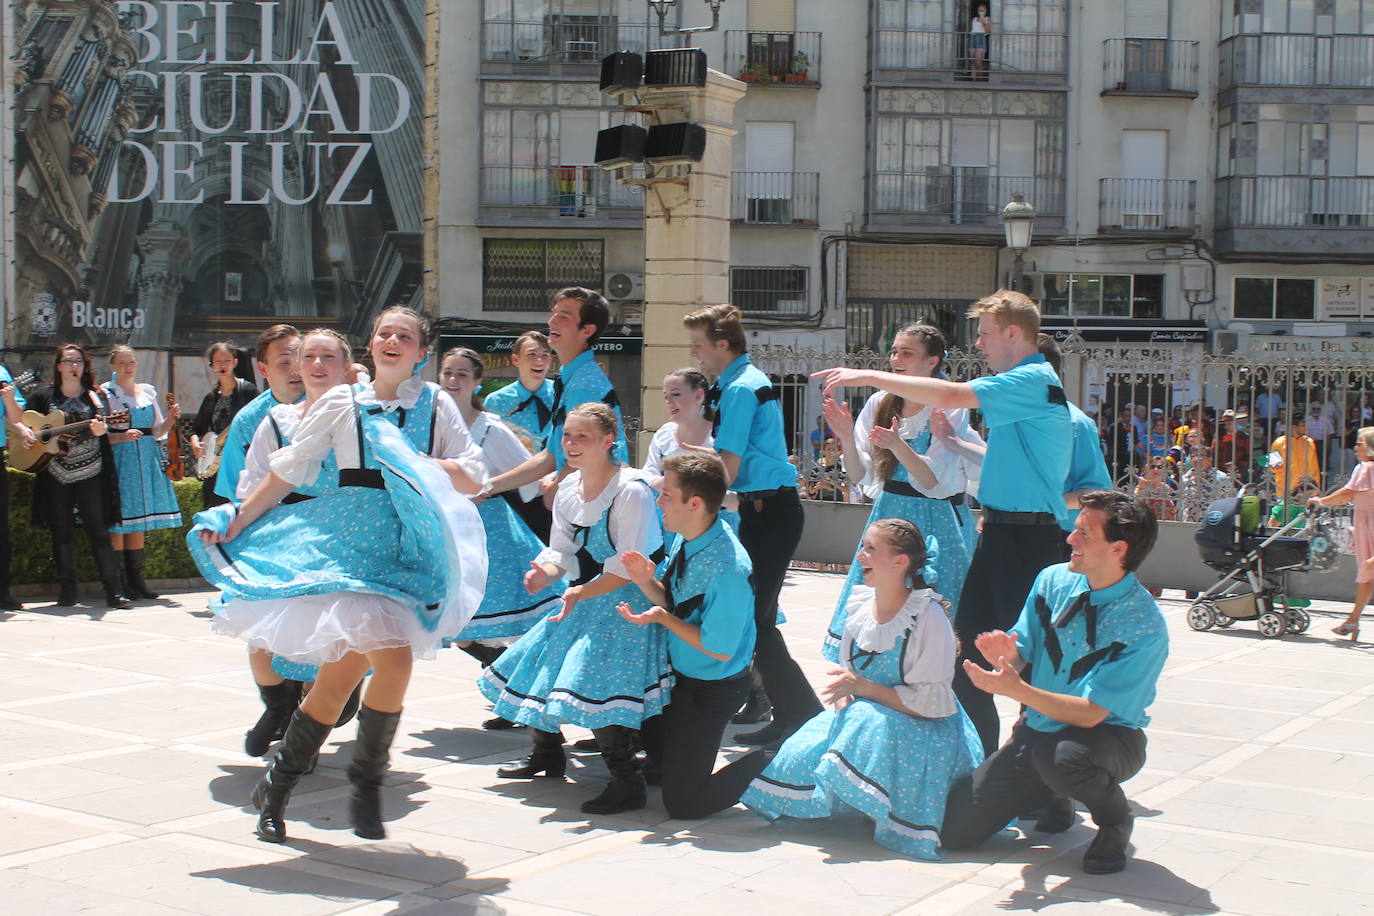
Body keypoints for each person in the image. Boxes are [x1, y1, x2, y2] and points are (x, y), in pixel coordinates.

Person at [190, 319, 488, 844]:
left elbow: (474, 477)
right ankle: (365, 786)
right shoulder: (340, 402)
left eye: (406, 336)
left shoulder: (435, 405)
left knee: (335, 685)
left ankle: (276, 788)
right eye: (384, 334)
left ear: (420, 353)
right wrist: (236, 518)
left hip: (404, 549)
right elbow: (288, 470)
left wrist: (413, 459)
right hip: (348, 545)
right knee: (391, 659)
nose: (393, 341)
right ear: (370, 348)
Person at [814, 290, 1072, 758]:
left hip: (1030, 536)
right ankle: (976, 765)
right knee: (967, 655)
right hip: (997, 530)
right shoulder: (1015, 382)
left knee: (1029, 660)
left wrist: (869, 375)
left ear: (1013, 333)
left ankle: (1046, 772)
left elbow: (952, 394)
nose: (979, 344)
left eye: (986, 334)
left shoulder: (1031, 380)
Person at [941, 490, 1166, 876]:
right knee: (953, 830)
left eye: (1084, 534)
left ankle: (1114, 820)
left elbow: (1094, 714)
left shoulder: (1144, 625)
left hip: (1108, 739)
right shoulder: (1052, 580)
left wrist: (1018, 692)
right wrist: (1005, 654)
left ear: (1118, 549)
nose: (1069, 539)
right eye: (1074, 529)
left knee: (1062, 759)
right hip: (1040, 729)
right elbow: (1023, 646)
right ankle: (1050, 792)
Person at [742, 518, 982, 859]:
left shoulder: (928, 619)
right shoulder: (859, 607)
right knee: (808, 743)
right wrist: (847, 704)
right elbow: (848, 681)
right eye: (862, 546)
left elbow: (931, 706)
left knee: (864, 722)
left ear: (900, 562)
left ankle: (883, 801)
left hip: (927, 731)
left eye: (871, 549)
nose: (860, 556)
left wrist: (862, 690)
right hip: (870, 715)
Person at [482, 403, 670, 816]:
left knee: (590, 676)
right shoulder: (568, 489)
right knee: (531, 663)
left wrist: (579, 592)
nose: (570, 444)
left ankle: (627, 781)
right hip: (588, 595)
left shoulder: (631, 490)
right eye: (567, 435)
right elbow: (561, 551)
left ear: (609, 441)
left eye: (582, 437)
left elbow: (628, 569)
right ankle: (546, 754)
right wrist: (545, 573)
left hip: (630, 602)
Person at [686, 304, 822, 748]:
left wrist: (693, 499)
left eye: (699, 346)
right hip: (762, 511)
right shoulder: (736, 384)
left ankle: (800, 714)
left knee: (759, 623)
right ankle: (793, 713)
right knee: (757, 621)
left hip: (771, 513)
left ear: (722, 345)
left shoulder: (741, 389)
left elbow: (726, 463)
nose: (695, 354)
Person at [618, 451, 768, 819]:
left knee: (684, 804)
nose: (658, 501)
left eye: (667, 494)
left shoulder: (729, 570)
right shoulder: (690, 535)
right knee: (663, 770)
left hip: (713, 688)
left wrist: (661, 619)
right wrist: (644, 582)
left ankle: (773, 763)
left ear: (695, 502)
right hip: (683, 679)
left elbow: (717, 649)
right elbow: (674, 602)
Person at [819, 323, 978, 662]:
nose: (896, 359)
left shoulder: (947, 403)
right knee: (881, 601)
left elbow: (933, 481)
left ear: (932, 361)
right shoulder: (880, 402)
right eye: (894, 351)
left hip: (936, 522)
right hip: (889, 515)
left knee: (935, 607)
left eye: (907, 353)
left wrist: (897, 444)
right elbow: (862, 475)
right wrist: (847, 437)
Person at [438, 348, 564, 710]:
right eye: (447, 372)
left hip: (494, 535)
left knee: (504, 625)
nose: (453, 380)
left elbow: (530, 477)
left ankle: (519, 695)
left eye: (462, 374)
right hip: (451, 536)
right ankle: (512, 689)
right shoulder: (431, 427)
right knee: (458, 629)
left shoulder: (489, 429)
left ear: (476, 382)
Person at [482, 289, 629, 506]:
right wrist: (487, 487)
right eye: (554, 313)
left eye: (564, 316)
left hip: (594, 508)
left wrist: (557, 486)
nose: (552, 321)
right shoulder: (574, 379)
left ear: (587, 330)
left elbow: (587, 455)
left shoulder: (585, 386)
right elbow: (549, 457)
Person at [26, 345, 132, 609]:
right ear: (59, 365)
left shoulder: (95, 398)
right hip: (55, 472)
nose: (75, 366)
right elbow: (26, 424)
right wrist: (28, 436)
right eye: (69, 361)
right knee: (61, 531)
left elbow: (106, 428)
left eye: (79, 362)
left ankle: (114, 591)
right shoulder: (43, 397)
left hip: (91, 470)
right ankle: (67, 590)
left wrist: (100, 430)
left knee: (98, 531)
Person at [100, 346, 183, 600]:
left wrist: (170, 419)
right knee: (119, 519)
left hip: (145, 456)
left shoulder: (146, 392)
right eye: (123, 362)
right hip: (121, 457)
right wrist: (122, 436)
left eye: (132, 362)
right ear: (113, 365)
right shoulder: (107, 394)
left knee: (137, 519)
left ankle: (137, 581)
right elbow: (101, 431)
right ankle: (120, 582)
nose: (129, 367)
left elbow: (157, 431)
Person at [213, 326, 304, 505]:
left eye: (302, 359)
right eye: (284, 362)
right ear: (263, 370)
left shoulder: (332, 405)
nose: (296, 369)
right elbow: (237, 493)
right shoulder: (247, 422)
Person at [1310, 427, 1374, 639]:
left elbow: (1348, 493)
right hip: (1367, 524)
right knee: (1366, 575)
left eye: (1360, 443)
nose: (1355, 447)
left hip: (1369, 525)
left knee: (1367, 571)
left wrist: (1322, 502)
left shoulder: (1366, 468)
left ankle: (1353, 620)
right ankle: (1353, 620)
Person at [190, 341, 259, 509]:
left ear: (235, 362)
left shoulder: (248, 391)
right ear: (212, 365)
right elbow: (197, 430)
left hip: (242, 462)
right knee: (216, 510)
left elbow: (260, 424)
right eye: (218, 361)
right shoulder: (211, 398)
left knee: (242, 509)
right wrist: (195, 443)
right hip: (216, 466)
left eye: (227, 360)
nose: (223, 365)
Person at [482, 330, 556, 451]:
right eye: (531, 354)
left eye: (545, 355)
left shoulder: (562, 396)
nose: (539, 361)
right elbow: (488, 446)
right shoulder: (496, 402)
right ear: (516, 360)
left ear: (550, 361)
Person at [1, 363, 36, 610]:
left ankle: (2, 592)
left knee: (1, 531)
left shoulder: (1, 372)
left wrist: (10, 399)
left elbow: (15, 417)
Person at [1179, 447, 1236, 523]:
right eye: (1194, 456)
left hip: (1213, 524)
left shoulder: (1221, 478)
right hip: (1188, 523)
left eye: (1202, 456)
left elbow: (1230, 501)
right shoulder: (1185, 478)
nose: (1197, 459)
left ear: (1210, 459)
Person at [1269, 414, 1321, 496]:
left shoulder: (1309, 442)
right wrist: (1275, 465)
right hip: (1287, 489)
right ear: (1294, 427)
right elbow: (1273, 467)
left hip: (1308, 488)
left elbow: (1315, 466)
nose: (1305, 428)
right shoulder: (1278, 443)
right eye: (1303, 426)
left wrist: (1316, 486)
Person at [1212, 409, 1250, 481]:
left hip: (1238, 471)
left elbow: (1247, 455)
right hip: (1220, 470)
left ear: (1235, 422)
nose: (1226, 426)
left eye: (1229, 423)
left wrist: (1237, 466)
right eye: (1225, 424)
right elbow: (1213, 453)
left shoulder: (1244, 437)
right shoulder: (1218, 436)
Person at [969, 3, 991, 80]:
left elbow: (987, 31)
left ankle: (980, 74)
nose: (981, 11)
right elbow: (971, 29)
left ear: (985, 11)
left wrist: (984, 23)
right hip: (973, 38)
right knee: (972, 60)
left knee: (978, 60)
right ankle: (973, 78)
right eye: (980, 10)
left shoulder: (988, 19)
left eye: (983, 10)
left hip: (981, 38)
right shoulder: (974, 19)